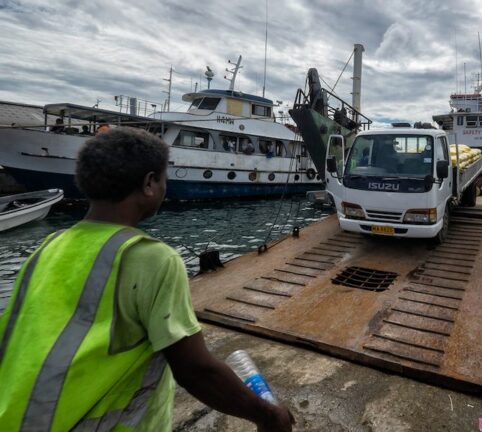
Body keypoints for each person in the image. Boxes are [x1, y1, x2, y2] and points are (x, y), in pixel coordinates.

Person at [0, 128, 294, 431]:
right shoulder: (152, 259)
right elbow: (195, 370)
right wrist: (268, 415)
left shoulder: (46, 248)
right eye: (165, 178)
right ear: (150, 183)